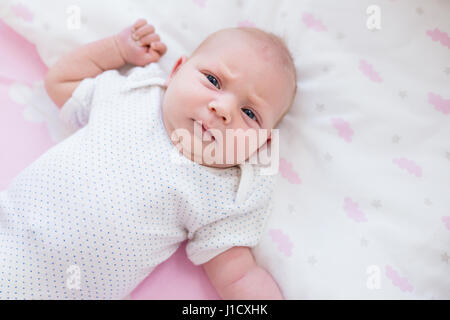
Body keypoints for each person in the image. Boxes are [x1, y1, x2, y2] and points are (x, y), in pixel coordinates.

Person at [0, 18, 296, 299]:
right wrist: (116, 50)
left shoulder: (222, 192)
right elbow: (61, 82)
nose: (223, 108)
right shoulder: (133, 93)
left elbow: (238, 276)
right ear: (177, 70)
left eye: (249, 114)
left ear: (262, 143)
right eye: (213, 80)